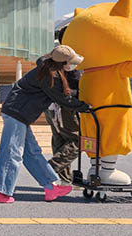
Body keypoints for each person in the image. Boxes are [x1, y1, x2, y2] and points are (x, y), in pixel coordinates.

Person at [0, 47, 88, 203]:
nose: (72, 66)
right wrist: (85, 106)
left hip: (20, 113)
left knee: (32, 152)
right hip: (16, 113)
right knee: (12, 152)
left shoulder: (49, 69)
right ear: (63, 63)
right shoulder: (49, 75)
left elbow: (62, 94)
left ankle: (50, 186)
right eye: (70, 63)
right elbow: (61, 98)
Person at [44, 38, 82, 183]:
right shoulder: (68, 70)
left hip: (50, 108)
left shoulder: (46, 67)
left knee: (59, 141)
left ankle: (64, 179)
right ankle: (50, 169)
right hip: (64, 109)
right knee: (76, 141)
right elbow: (69, 91)